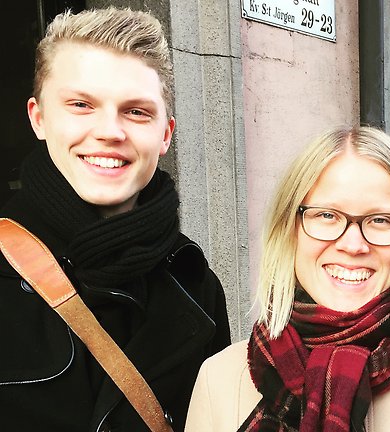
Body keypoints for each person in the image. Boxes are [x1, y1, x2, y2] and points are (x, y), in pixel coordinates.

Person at [185, 126, 390, 431]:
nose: (353, 245)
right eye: (326, 215)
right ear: (291, 228)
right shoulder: (219, 381)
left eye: (380, 220)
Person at [0, 7, 231, 431]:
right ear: (39, 118)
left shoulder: (198, 285)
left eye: (137, 112)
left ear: (165, 134)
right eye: (81, 105)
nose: (110, 131)